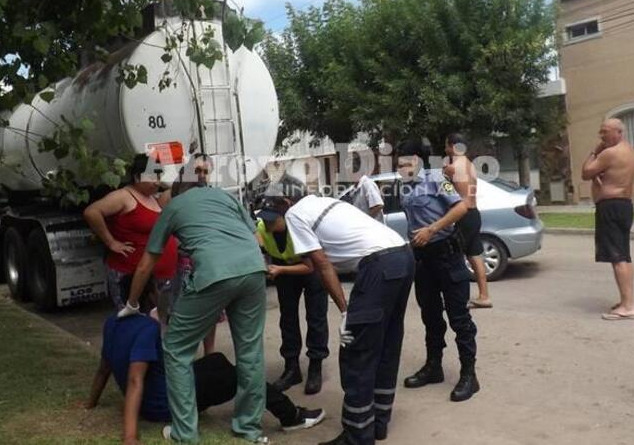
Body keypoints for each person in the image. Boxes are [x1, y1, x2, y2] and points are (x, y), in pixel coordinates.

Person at [120, 155, 269, 444]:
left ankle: (184, 433)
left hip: (214, 272)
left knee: (176, 348)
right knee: (250, 351)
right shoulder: (225, 198)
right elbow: (256, 237)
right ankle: (248, 427)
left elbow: (146, 263)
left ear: (177, 188)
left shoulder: (173, 206)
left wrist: (132, 303)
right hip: (254, 269)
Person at [281, 186, 414, 445]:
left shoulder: (294, 214)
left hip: (378, 265)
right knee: (386, 343)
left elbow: (321, 264)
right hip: (403, 255)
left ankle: (357, 437)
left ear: (287, 200)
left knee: (357, 351)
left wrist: (345, 311)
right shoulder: (326, 202)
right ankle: (378, 423)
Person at [85, 311, 325, 445]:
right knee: (242, 376)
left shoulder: (112, 323)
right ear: (149, 295)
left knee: (217, 360)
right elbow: (136, 380)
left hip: (165, 390)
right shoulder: (147, 328)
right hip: (165, 403)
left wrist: (90, 402)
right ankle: (291, 417)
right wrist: (130, 436)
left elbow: (104, 368)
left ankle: (247, 401)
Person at [397, 139, 479, 403]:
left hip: (447, 255)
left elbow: (462, 206)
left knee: (459, 317)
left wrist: (432, 229)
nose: (401, 168)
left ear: (418, 161)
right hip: (422, 260)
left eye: (405, 163)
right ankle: (434, 367)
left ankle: (469, 374)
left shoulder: (437, 179)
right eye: (398, 164)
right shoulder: (404, 186)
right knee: (430, 316)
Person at [83, 154, 180, 321]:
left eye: (159, 177)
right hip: (130, 277)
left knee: (153, 324)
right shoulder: (123, 196)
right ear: (137, 177)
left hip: (155, 280)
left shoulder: (153, 198)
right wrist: (111, 242)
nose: (157, 182)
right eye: (152, 177)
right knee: (133, 323)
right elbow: (92, 212)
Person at [256, 196, 329, 395]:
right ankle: (291, 368)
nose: (268, 222)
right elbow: (261, 248)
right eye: (266, 218)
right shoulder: (263, 227)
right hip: (284, 270)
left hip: (311, 270)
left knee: (316, 318)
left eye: (273, 219)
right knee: (287, 319)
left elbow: (309, 266)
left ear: (285, 217)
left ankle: (315, 366)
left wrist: (279, 269)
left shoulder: (297, 226)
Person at [581, 118, 634, 321]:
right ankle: (628, 301)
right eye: (601, 132)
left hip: (611, 207)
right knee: (624, 255)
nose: (602, 136)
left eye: (605, 132)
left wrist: (594, 152)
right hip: (624, 206)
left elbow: (586, 172)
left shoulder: (609, 153)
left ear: (618, 132)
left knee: (617, 258)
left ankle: (628, 307)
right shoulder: (630, 150)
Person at [443, 133, 492, 309]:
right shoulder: (470, 165)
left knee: (454, 257)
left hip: (463, 215)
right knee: (475, 255)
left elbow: (450, 192)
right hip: (474, 213)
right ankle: (484, 296)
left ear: (453, 146)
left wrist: (445, 175)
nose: (445, 149)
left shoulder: (453, 167)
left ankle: (457, 298)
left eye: (447, 145)